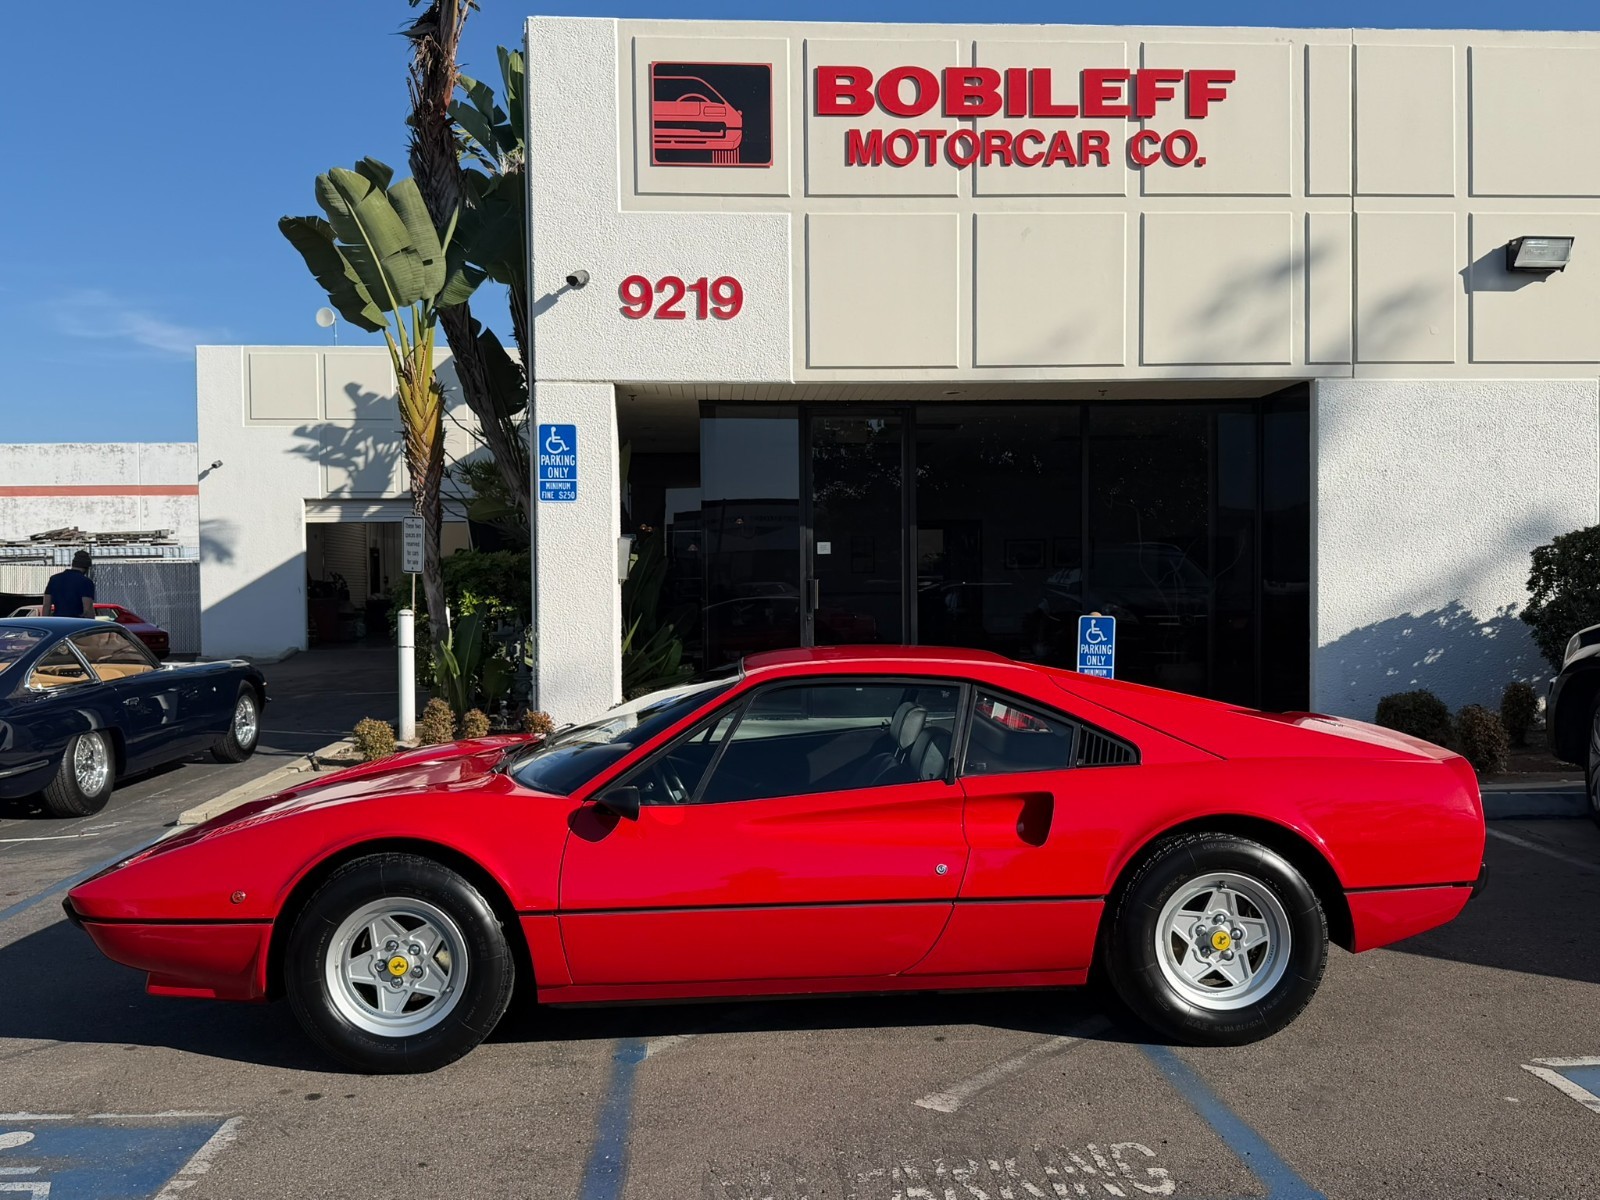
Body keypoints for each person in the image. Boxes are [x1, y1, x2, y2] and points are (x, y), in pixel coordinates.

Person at [42, 551, 95, 618]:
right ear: (87, 568)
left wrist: (45, 622)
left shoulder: (54, 579)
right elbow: (87, 610)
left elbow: (46, 605)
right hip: (77, 622)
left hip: (58, 621)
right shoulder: (86, 582)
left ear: (73, 564)